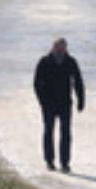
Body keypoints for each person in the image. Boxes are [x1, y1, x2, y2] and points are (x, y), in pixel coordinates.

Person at [32, 37, 86, 172]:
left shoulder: (71, 62)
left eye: (63, 47)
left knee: (66, 133)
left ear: (66, 48)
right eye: (58, 47)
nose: (60, 49)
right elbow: (37, 83)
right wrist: (42, 101)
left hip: (65, 104)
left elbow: (78, 81)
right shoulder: (44, 62)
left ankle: (65, 163)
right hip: (49, 104)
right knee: (48, 131)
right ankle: (49, 160)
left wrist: (81, 100)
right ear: (53, 47)